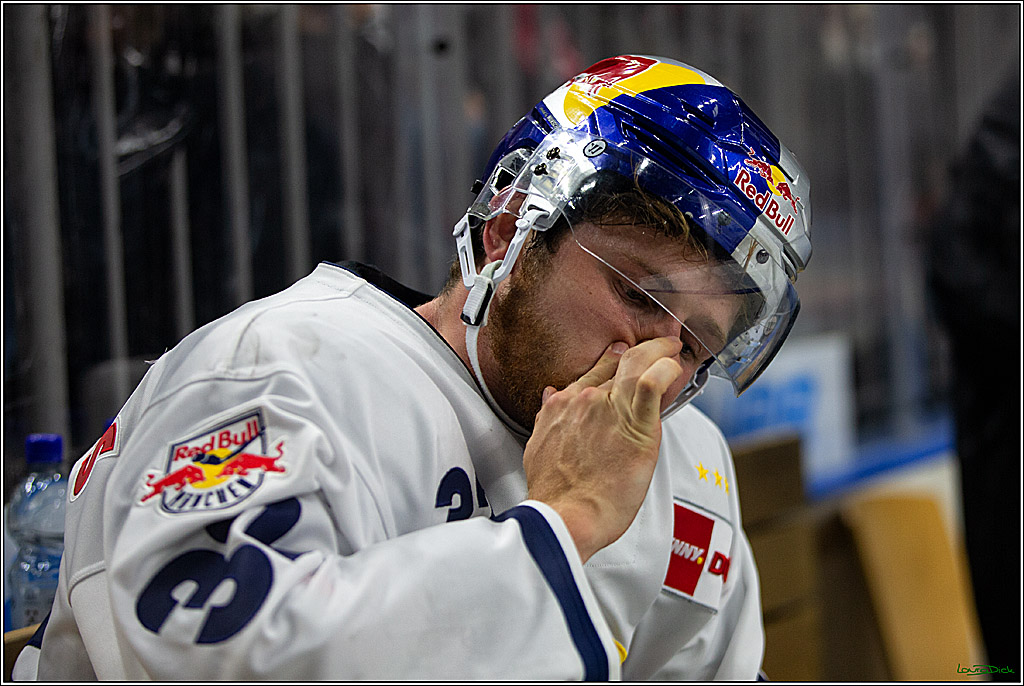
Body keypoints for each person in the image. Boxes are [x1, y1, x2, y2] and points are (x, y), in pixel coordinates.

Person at [14, 54, 811, 680]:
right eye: (638, 296)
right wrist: (564, 523)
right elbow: (215, 656)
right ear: (508, 230)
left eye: (695, 345)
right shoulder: (273, 372)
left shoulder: (686, 463)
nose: (655, 369)